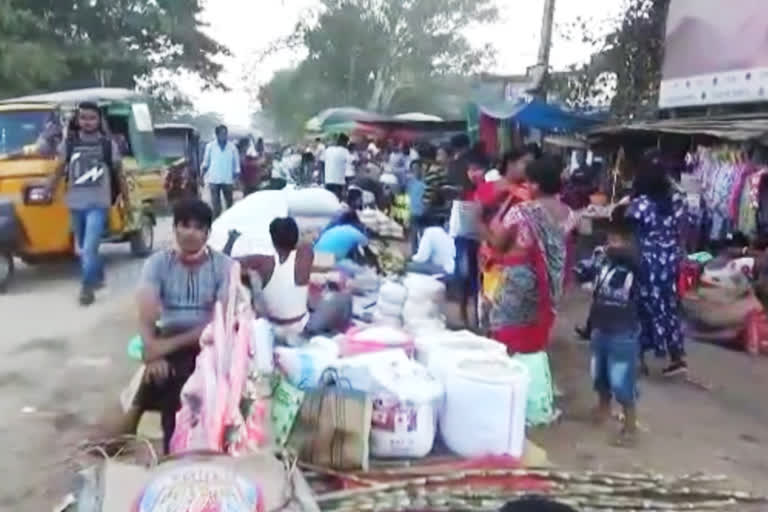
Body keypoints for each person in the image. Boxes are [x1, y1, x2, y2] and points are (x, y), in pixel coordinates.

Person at [135, 199, 233, 452]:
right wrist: (151, 354)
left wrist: (164, 347)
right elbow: (145, 314)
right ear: (175, 229)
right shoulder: (158, 263)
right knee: (159, 379)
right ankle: (172, 449)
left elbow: (220, 320)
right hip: (167, 338)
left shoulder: (224, 266)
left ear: (207, 234)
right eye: (184, 225)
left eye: (198, 227)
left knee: (190, 375)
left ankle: (207, 448)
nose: (190, 232)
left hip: (209, 342)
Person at [478, 155, 579, 354]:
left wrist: (484, 228)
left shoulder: (522, 211)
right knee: (534, 337)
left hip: (519, 285)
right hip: (550, 288)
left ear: (537, 184)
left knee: (508, 338)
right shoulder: (569, 214)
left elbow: (498, 244)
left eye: (529, 181)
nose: (527, 186)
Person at [47, 101, 126, 306]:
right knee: (83, 248)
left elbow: (119, 173)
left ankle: (86, 288)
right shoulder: (70, 143)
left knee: (89, 248)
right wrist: (48, 189)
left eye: (92, 118)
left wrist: (126, 198)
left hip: (98, 204)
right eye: (83, 118)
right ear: (77, 119)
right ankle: (98, 276)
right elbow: (59, 169)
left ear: (99, 120)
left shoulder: (108, 144)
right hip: (76, 204)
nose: (88, 122)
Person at [578, 205, 642, 444]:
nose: (611, 244)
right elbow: (582, 273)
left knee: (622, 380)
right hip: (600, 327)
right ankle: (603, 409)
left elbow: (640, 271)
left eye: (617, 240)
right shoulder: (602, 260)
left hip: (623, 332)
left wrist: (618, 255)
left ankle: (630, 425)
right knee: (599, 375)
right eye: (610, 239)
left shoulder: (636, 267)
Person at [239, 217, 352, 342]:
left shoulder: (262, 262)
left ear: (272, 239)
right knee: (343, 298)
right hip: (302, 328)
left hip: (274, 329)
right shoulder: (305, 254)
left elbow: (233, 262)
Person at [627, 152, 687, 376]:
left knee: (641, 307)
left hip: (646, 261)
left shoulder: (640, 205)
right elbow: (683, 230)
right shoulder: (677, 202)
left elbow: (631, 233)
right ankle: (677, 357)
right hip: (670, 261)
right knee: (668, 306)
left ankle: (639, 358)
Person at [202, 125, 240, 218]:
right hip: (214, 179)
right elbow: (206, 162)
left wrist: (236, 178)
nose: (224, 135)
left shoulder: (232, 147)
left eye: (225, 133)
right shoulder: (210, 146)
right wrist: (201, 176)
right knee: (216, 205)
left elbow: (237, 164)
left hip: (228, 179)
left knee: (229, 204)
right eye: (222, 133)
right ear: (217, 134)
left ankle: (230, 221)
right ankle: (216, 223)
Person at [405, 159, 427, 252]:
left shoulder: (427, 181)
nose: (416, 171)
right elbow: (407, 196)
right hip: (413, 211)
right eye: (414, 169)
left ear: (422, 169)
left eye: (418, 168)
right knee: (413, 234)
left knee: (423, 234)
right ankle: (413, 252)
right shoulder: (409, 182)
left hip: (424, 211)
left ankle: (423, 252)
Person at [322, 134, 351, 200]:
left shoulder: (328, 150)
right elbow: (352, 162)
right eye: (346, 143)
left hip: (328, 181)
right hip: (339, 182)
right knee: (337, 202)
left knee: (328, 201)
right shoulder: (345, 151)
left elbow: (322, 162)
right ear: (344, 142)